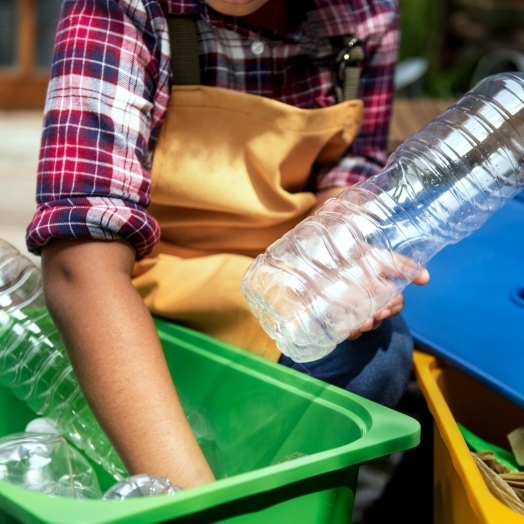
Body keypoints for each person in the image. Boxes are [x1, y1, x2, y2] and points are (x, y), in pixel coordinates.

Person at [26, 0, 429, 490]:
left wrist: (340, 263)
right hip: (144, 286)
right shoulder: (123, 9)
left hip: (274, 281)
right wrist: (188, 499)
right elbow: (79, 268)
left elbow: (347, 175)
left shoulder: (363, 15)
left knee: (378, 355)